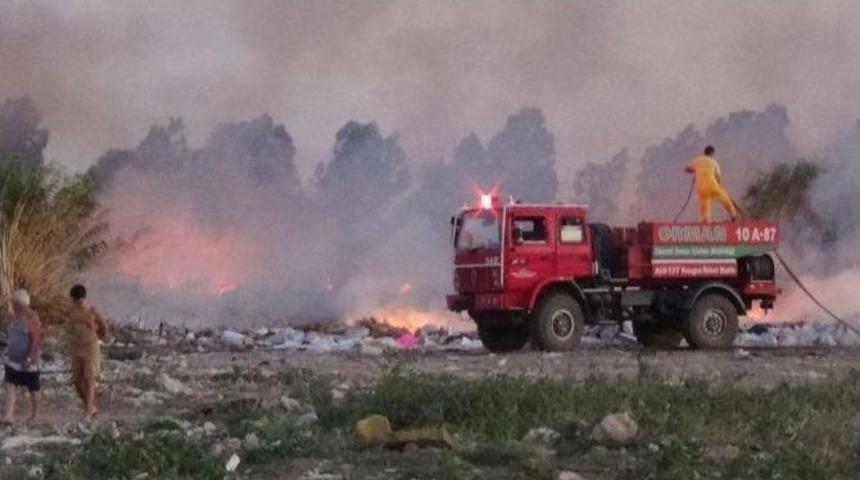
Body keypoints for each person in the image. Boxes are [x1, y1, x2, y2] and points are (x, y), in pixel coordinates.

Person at [1, 289, 42, 427]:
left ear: (19, 303)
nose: (12, 304)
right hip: (13, 359)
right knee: (9, 385)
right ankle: (8, 415)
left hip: (28, 361)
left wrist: (30, 359)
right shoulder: (13, 315)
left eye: (13, 302)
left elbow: (36, 340)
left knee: (33, 388)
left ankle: (35, 416)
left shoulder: (32, 318)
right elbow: (4, 324)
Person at [66, 284, 108, 421]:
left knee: (90, 378)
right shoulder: (71, 311)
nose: (77, 304)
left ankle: (88, 411)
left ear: (83, 299)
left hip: (90, 348)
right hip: (76, 348)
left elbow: (104, 327)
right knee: (77, 380)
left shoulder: (92, 311)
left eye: (79, 302)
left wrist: (96, 337)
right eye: (74, 301)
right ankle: (89, 406)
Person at [684, 145, 739, 223]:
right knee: (726, 199)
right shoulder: (714, 162)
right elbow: (717, 177)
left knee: (705, 207)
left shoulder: (697, 160)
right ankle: (733, 215)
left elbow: (686, 169)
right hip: (713, 186)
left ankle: (707, 221)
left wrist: (697, 171)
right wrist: (719, 185)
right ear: (712, 153)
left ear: (705, 152)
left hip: (701, 188)